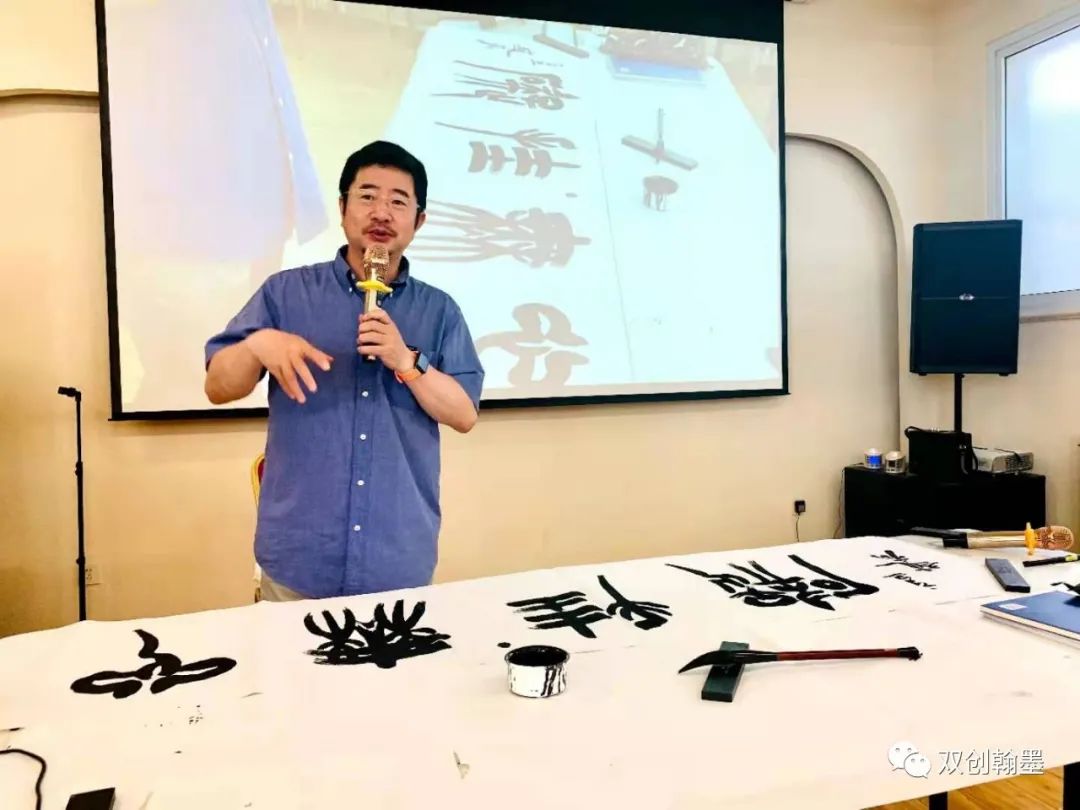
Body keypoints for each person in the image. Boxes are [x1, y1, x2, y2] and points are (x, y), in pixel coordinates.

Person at [204, 141, 484, 602]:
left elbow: (464, 414)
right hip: (299, 558)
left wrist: (407, 361)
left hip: (397, 556)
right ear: (342, 208)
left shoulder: (440, 311)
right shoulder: (286, 293)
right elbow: (218, 386)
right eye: (367, 196)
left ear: (419, 221)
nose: (381, 212)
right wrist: (257, 344)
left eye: (398, 201)